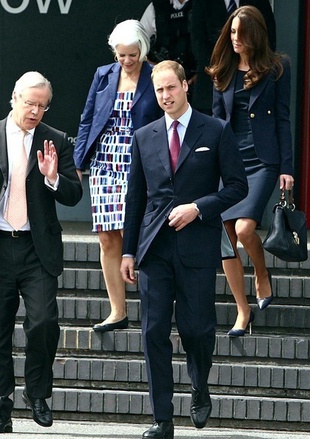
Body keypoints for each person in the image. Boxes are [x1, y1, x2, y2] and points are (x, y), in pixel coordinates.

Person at [120, 60, 248, 439]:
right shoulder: (144, 135)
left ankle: (199, 385)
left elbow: (237, 187)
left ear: (186, 86)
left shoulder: (216, 129)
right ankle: (162, 419)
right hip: (154, 248)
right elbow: (135, 199)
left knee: (196, 330)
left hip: (196, 245)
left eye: (171, 88)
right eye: (159, 90)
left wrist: (199, 208)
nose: (165, 96)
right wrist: (128, 252)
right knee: (153, 331)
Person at [0, 71, 83, 433]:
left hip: (37, 249)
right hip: (1, 244)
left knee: (44, 323)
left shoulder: (56, 141)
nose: (34, 111)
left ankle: (37, 393)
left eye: (41, 106)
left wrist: (52, 177)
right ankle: (1, 403)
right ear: (14, 99)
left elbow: (74, 194)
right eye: (29, 103)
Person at [207, 6, 294, 337]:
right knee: (226, 239)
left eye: (240, 34)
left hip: (263, 160)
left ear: (254, 35)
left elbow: (283, 119)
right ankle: (242, 312)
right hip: (230, 160)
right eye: (231, 33)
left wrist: (287, 168)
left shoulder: (276, 68)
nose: (234, 40)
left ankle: (261, 273)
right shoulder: (222, 72)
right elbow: (216, 124)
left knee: (245, 229)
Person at [73, 20, 162, 333]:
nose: (126, 61)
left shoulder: (156, 76)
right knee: (107, 237)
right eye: (121, 55)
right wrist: (79, 161)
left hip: (140, 160)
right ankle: (117, 310)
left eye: (132, 55)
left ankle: (152, 307)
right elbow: (87, 119)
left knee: (133, 232)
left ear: (143, 50)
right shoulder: (103, 75)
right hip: (105, 161)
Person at [191, 0, 276, 114]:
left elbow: (268, 39)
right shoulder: (202, 3)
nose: (236, 37)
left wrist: (249, 67)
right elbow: (198, 42)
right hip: (211, 84)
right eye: (233, 31)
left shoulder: (259, 2)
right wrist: (224, 67)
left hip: (253, 81)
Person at [140, 0, 196, 97]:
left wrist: (203, 74)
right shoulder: (156, 7)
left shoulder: (204, 4)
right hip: (163, 82)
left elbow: (216, 43)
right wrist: (152, 66)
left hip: (195, 82)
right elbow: (137, 42)